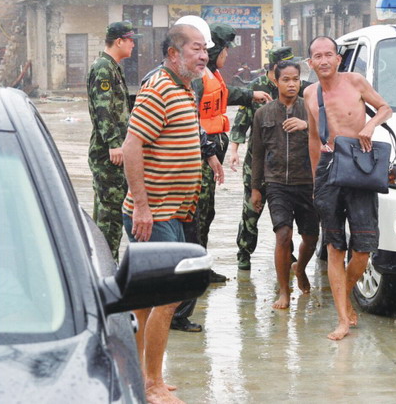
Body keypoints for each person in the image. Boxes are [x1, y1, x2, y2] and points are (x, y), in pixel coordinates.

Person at [121, 23, 220, 403]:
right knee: (166, 298)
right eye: (196, 49)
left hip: (172, 212)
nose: (203, 56)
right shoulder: (159, 87)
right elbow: (133, 146)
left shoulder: (185, 88)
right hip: (153, 213)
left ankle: (139, 373)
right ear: (173, 53)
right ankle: (152, 384)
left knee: (149, 298)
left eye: (205, 50)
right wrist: (143, 206)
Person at [303, 36, 393, 341]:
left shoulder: (355, 82)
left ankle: (346, 293)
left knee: (363, 249)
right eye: (318, 56)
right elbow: (314, 138)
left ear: (338, 59)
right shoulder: (310, 94)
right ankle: (342, 318)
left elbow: (385, 108)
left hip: (359, 165)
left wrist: (370, 125)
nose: (324, 60)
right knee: (334, 246)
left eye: (329, 54)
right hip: (328, 169)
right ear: (310, 63)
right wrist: (316, 182)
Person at [191, 23, 271, 277]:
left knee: (207, 211)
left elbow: (222, 97)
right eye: (226, 51)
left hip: (209, 153)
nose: (228, 56)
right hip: (200, 154)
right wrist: (208, 153)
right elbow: (190, 117)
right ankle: (193, 269)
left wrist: (249, 95)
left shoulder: (211, 74)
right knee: (199, 213)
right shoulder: (198, 77)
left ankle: (199, 265)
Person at [230, 47, 312, 270]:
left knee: (287, 217)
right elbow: (242, 119)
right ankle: (244, 253)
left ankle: (289, 255)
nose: (291, 82)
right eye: (284, 74)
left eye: (295, 76)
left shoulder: (302, 90)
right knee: (251, 211)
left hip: (290, 167)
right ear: (274, 69)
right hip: (258, 163)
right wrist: (234, 149)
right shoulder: (256, 88)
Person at [250, 60, 319, 309]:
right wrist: (255, 188)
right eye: (286, 79)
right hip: (277, 182)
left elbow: (330, 134)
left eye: (296, 79)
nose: (292, 84)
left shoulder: (310, 109)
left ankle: (299, 269)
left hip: (308, 182)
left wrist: (308, 125)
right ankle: (284, 291)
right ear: (275, 81)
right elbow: (257, 153)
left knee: (311, 237)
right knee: (283, 235)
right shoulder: (263, 114)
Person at [87, 21, 140, 261]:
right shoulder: (103, 68)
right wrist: (114, 144)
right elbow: (103, 109)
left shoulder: (112, 67)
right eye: (130, 39)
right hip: (107, 153)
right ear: (119, 41)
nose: (133, 44)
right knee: (111, 213)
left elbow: (119, 106)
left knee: (105, 210)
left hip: (113, 149)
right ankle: (108, 268)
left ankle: (101, 264)